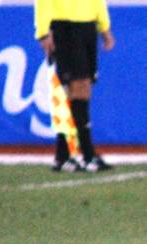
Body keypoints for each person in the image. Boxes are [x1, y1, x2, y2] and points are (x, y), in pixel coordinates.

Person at [36, 0, 115, 172]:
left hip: (87, 24)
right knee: (75, 88)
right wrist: (43, 31)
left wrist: (104, 27)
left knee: (83, 90)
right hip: (65, 24)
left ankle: (64, 156)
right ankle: (86, 154)